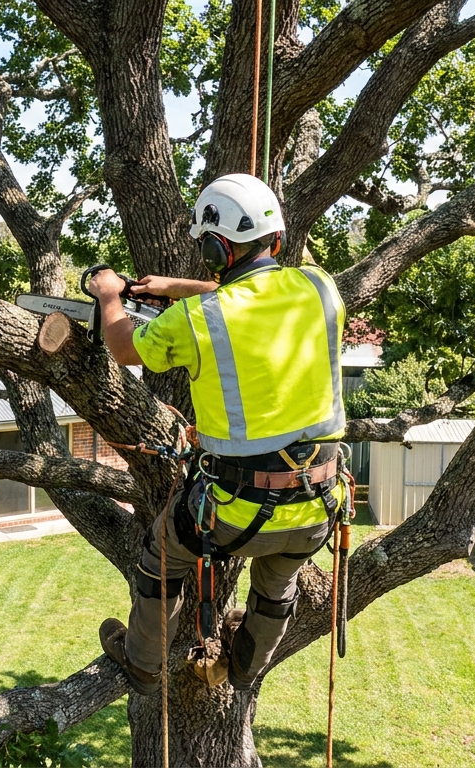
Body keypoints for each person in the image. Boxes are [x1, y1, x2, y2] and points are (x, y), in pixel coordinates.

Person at [87, 173, 347, 694]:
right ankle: (247, 666)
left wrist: (110, 294)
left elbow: (123, 346)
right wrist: (172, 288)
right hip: (318, 505)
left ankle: (142, 661)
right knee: (279, 582)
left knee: (162, 555)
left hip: (231, 514)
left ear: (212, 248)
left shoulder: (199, 318)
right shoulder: (319, 288)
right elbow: (254, 294)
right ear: (274, 238)